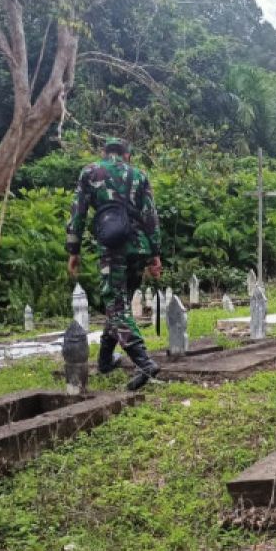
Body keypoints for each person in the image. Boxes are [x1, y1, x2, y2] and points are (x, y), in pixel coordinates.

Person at [65, 137, 161, 391]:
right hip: (138, 248)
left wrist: (73, 250)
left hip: (112, 247)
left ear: (104, 153)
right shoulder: (140, 175)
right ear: (127, 155)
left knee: (116, 306)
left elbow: (78, 213)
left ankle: (145, 363)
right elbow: (151, 216)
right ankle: (105, 360)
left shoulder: (91, 172)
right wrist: (154, 255)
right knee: (121, 303)